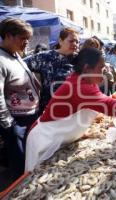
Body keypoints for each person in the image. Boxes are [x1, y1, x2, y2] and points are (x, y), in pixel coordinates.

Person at [25, 47, 116, 171]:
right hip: (46, 140)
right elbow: (113, 108)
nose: (105, 71)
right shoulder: (79, 87)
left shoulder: (86, 81)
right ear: (86, 68)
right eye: (101, 67)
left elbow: (106, 101)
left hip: (60, 137)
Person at [0, 18, 40, 180]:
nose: (26, 43)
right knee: (20, 162)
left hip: (29, 117)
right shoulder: (1, 60)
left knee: (30, 158)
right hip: (16, 121)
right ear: (9, 36)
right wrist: (9, 124)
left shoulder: (15, 55)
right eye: (23, 38)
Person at [24, 27, 79, 113]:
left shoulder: (80, 59)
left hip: (74, 109)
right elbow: (20, 65)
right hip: (50, 109)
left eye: (77, 42)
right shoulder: (44, 57)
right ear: (61, 41)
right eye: (71, 41)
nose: (75, 44)